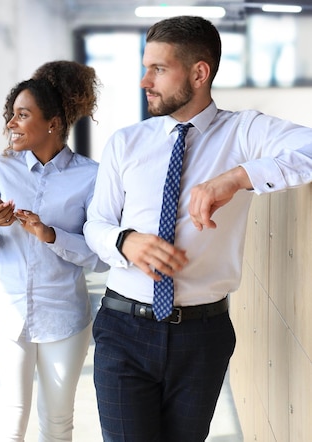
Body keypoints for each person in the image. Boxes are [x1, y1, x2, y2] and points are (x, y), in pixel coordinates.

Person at [83, 16, 312, 442]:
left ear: (199, 73)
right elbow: (95, 223)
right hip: (123, 328)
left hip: (202, 336)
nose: (143, 81)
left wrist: (239, 176)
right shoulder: (126, 142)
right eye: (145, 67)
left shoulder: (243, 132)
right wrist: (124, 240)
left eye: (157, 69)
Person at [0, 60, 108, 441]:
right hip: (7, 309)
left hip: (62, 314)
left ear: (53, 123)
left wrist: (50, 235)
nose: (11, 124)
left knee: (58, 421)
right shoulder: (2, 167)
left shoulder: (91, 176)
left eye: (22, 115)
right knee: (8, 419)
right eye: (11, 115)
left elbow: (98, 258)